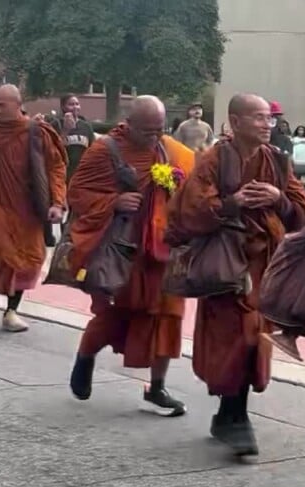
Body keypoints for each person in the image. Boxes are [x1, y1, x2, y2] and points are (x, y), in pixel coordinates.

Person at [168, 93, 305, 455]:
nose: (267, 124)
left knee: (254, 342)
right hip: (227, 265)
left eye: (269, 118)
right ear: (235, 121)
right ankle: (233, 416)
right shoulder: (214, 159)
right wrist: (234, 203)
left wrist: (278, 197)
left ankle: (233, 415)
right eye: (258, 118)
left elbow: (300, 213)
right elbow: (189, 209)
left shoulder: (276, 161)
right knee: (235, 341)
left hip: (265, 267)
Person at [66, 95, 196, 416]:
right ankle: (85, 356)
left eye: (160, 129)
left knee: (169, 317)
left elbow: (193, 190)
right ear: (129, 123)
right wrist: (114, 202)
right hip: (125, 250)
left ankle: (156, 388)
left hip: (164, 248)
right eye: (147, 131)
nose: (155, 137)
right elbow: (78, 193)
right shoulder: (105, 150)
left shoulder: (171, 150)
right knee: (117, 313)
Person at [0, 84, 67, 332]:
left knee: (27, 261)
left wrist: (58, 202)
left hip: (28, 210)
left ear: (17, 105)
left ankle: (11, 311)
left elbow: (56, 168)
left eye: (1, 105)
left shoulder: (36, 131)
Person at [46, 94, 97, 246]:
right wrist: (66, 131)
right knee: (60, 210)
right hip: (61, 177)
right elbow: (53, 151)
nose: (75, 107)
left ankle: (70, 241)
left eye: (77, 104)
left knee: (76, 213)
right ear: (63, 107)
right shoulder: (56, 125)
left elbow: (93, 150)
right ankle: (56, 239)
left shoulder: (85, 126)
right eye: (71, 104)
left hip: (80, 177)